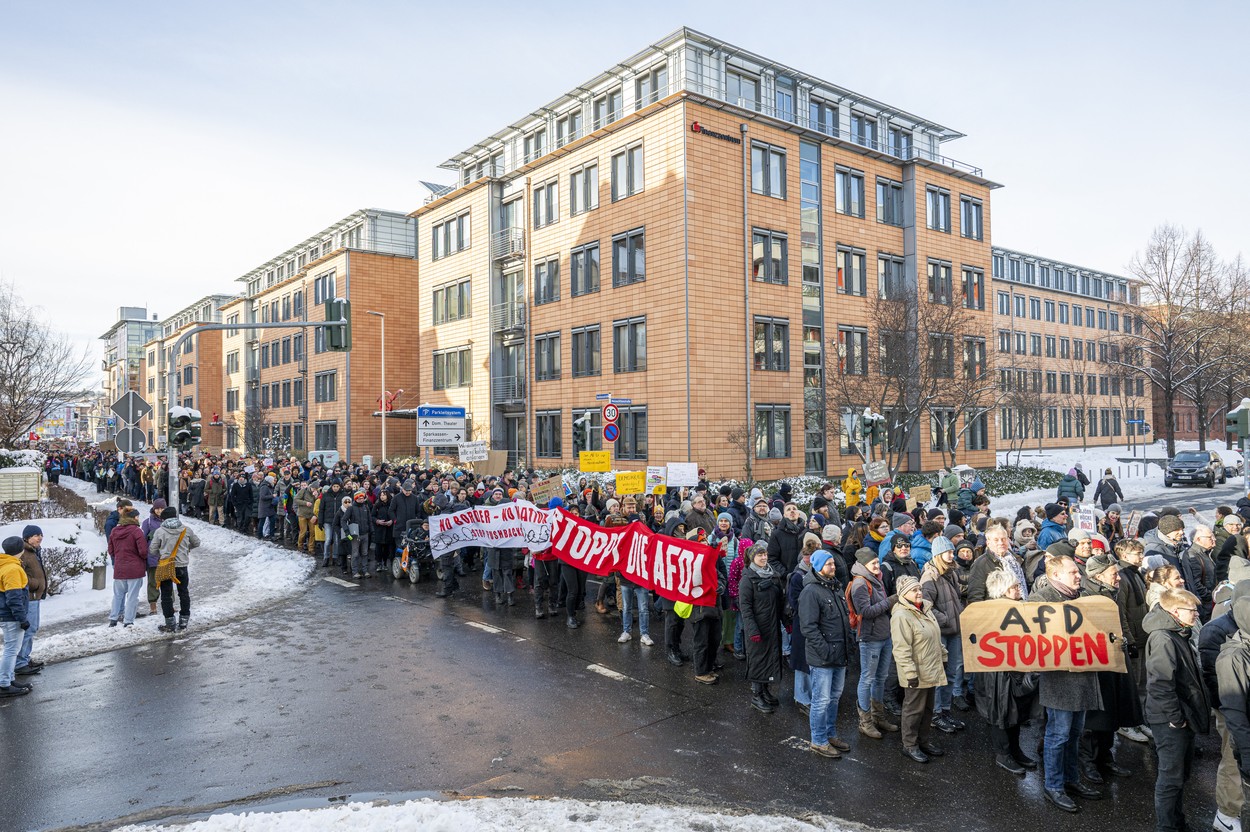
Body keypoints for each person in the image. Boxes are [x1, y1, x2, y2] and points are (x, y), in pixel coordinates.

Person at [1031, 554, 1104, 812]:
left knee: (1074, 734)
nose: (1078, 575)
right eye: (1073, 572)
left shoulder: (1082, 597)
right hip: (1059, 681)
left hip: (1083, 677)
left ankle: (1071, 780)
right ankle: (1054, 786)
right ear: (1056, 575)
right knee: (1058, 735)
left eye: (1077, 571)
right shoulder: (1040, 601)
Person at [1145, 587, 1209, 832]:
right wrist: (1175, 719)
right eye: (1191, 610)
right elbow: (1161, 683)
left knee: (1180, 776)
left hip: (1181, 715)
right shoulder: (1163, 638)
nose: (1196, 614)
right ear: (1174, 611)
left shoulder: (1178, 632)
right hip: (1171, 719)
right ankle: (1167, 827)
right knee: (1170, 779)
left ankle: (1177, 822)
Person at [1079, 553, 1142, 783]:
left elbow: (1120, 618)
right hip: (1096, 664)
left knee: (1112, 711)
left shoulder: (1109, 591)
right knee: (1095, 717)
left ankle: (1105, 757)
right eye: (1114, 573)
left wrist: (1128, 641)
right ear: (1099, 576)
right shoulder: (1086, 596)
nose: (1118, 577)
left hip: (1114, 658)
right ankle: (1088, 761)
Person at [973, 568, 1040, 775]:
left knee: (1016, 710)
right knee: (1000, 711)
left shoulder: (1021, 608)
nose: (1018, 588)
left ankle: (1015, 750)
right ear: (1002, 590)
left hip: (1016, 668)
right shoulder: (989, 612)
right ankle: (1003, 754)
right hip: (997, 673)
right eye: (1014, 586)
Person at [798, 549, 853, 757]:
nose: (833, 567)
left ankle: (830, 734)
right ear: (818, 566)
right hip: (823, 657)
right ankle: (818, 740)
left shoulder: (835, 587)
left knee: (834, 697)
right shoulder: (811, 591)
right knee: (821, 700)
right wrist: (826, 651)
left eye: (833, 563)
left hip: (840, 654)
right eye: (829, 564)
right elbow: (808, 627)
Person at [891, 574, 947, 763]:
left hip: (931, 667)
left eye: (919, 589)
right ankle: (910, 745)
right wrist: (910, 674)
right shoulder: (901, 615)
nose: (918, 592)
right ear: (904, 593)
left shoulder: (925, 608)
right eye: (914, 590)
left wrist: (944, 656)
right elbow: (901, 648)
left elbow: (934, 636)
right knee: (914, 710)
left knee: (927, 709)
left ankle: (923, 741)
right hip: (916, 672)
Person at [921, 536, 967, 728]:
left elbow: (956, 597)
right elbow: (925, 605)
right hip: (941, 631)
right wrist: (946, 619)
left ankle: (946, 710)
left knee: (951, 673)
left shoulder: (951, 572)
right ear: (938, 554)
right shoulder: (929, 576)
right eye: (948, 552)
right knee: (939, 674)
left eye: (952, 551)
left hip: (954, 630)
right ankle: (936, 714)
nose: (952, 554)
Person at [740, 543, 785, 713]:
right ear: (752, 558)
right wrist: (752, 630)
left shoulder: (773, 575)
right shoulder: (747, 579)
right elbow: (745, 607)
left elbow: (779, 601)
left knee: (770, 658)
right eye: (760, 555)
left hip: (772, 625)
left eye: (765, 554)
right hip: (758, 628)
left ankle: (765, 690)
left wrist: (785, 621)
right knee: (758, 660)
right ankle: (756, 695)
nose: (764, 557)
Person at [149, 506, 202, 632]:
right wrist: (185, 550)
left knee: (166, 595)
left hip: (166, 566)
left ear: (164, 519)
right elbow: (197, 543)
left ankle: (170, 623)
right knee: (183, 592)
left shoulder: (160, 531)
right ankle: (184, 621)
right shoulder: (186, 530)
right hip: (182, 566)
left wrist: (163, 552)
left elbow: (152, 550)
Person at [0, 536, 32, 697]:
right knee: (11, 650)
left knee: (11, 649)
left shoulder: (5, 564)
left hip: (6, 615)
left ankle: (9, 679)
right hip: (11, 617)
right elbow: (13, 598)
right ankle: (4, 684)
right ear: (20, 549)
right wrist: (22, 619)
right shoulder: (12, 568)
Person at [13, 526, 47, 678]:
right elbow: (19, 576)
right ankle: (20, 663)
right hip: (29, 597)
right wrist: (35, 584)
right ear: (26, 537)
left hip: (35, 596)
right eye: (35, 535)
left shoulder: (33, 551)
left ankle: (25, 659)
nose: (39, 538)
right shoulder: (24, 554)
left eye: (40, 535)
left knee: (33, 628)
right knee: (29, 630)